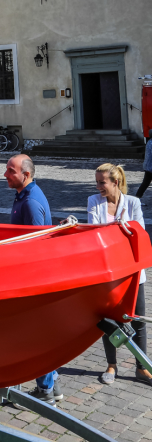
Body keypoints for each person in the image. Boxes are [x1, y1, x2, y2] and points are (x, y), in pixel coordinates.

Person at [88, 163, 152, 386]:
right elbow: (94, 236)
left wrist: (116, 229)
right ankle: (111, 365)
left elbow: (140, 234)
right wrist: (122, 230)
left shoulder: (133, 203)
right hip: (108, 275)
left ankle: (142, 367)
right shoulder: (94, 202)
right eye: (96, 182)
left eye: (102, 182)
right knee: (110, 321)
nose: (98, 187)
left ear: (115, 182)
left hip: (133, 273)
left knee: (138, 322)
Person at [5, 154, 62, 403]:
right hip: (27, 274)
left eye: (10, 171)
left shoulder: (30, 202)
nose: (5, 175)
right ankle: (53, 385)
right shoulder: (23, 195)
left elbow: (36, 245)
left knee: (35, 335)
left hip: (31, 278)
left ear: (25, 175)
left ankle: (45, 391)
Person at [136, 131, 152, 200]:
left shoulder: (149, 142)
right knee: (145, 183)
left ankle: (137, 198)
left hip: (148, 166)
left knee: (145, 183)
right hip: (150, 167)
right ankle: (137, 198)